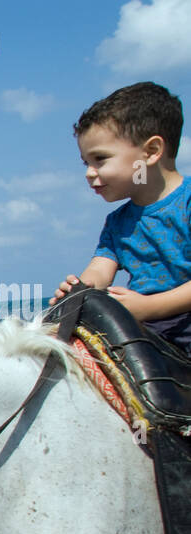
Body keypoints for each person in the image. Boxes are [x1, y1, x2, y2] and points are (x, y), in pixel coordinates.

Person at [50, 82, 191, 352]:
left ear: (150, 152)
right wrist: (79, 292)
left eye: (100, 159)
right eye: (86, 163)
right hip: (145, 329)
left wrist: (149, 307)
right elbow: (100, 271)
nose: (89, 173)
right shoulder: (117, 222)